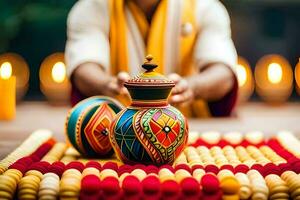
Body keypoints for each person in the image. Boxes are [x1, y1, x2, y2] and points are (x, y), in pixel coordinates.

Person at [65, 0, 238, 117]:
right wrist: (108, 85)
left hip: (194, 128)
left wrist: (191, 87)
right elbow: (83, 67)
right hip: (113, 130)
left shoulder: (205, 6)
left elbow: (223, 73)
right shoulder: (92, 6)